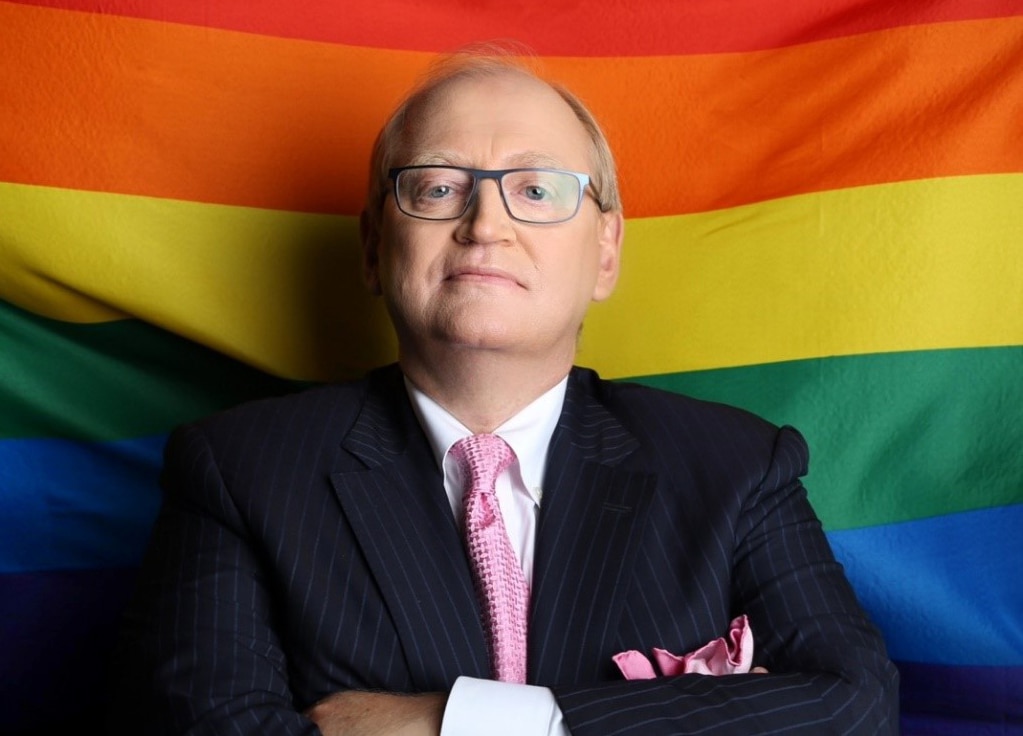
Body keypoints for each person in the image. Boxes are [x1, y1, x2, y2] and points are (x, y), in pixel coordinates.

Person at [109, 48, 899, 735]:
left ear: (605, 253)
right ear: (373, 246)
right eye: (437, 186)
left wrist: (462, 724)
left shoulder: (736, 467)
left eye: (537, 189)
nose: (485, 224)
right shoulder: (239, 471)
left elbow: (852, 710)